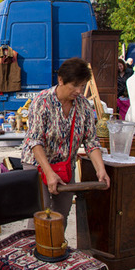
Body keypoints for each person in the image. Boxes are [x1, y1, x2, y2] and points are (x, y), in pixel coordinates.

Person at [20, 57, 110, 228]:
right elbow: (35, 141)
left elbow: (91, 141)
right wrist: (49, 172)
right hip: (37, 163)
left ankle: (57, 250)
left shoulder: (83, 106)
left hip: (65, 165)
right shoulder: (42, 101)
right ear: (60, 80)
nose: (79, 90)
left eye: (82, 86)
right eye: (75, 85)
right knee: (41, 213)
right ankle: (36, 250)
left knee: (62, 213)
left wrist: (101, 170)